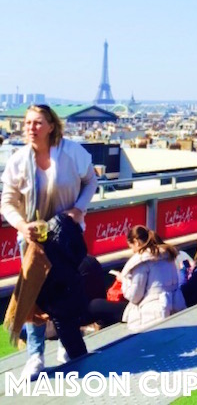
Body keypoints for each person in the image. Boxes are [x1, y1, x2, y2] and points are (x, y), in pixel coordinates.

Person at [1, 104, 97, 378]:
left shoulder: (72, 153)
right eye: (28, 122)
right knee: (33, 297)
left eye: (38, 122)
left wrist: (78, 209)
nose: (31, 127)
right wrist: (22, 225)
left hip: (66, 237)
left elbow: (91, 181)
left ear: (51, 125)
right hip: (33, 240)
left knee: (66, 292)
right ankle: (35, 354)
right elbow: (7, 202)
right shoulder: (18, 160)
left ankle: (66, 344)